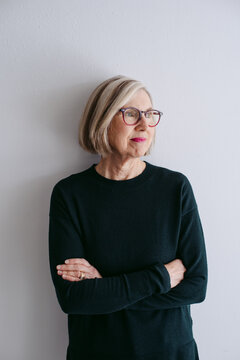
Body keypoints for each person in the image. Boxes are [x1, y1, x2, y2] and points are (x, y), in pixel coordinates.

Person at [48, 75, 208, 360]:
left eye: (150, 114)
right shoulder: (70, 194)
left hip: (171, 353)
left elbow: (196, 286)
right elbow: (74, 298)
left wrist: (104, 288)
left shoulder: (175, 188)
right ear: (103, 119)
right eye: (131, 114)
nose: (145, 125)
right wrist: (160, 276)